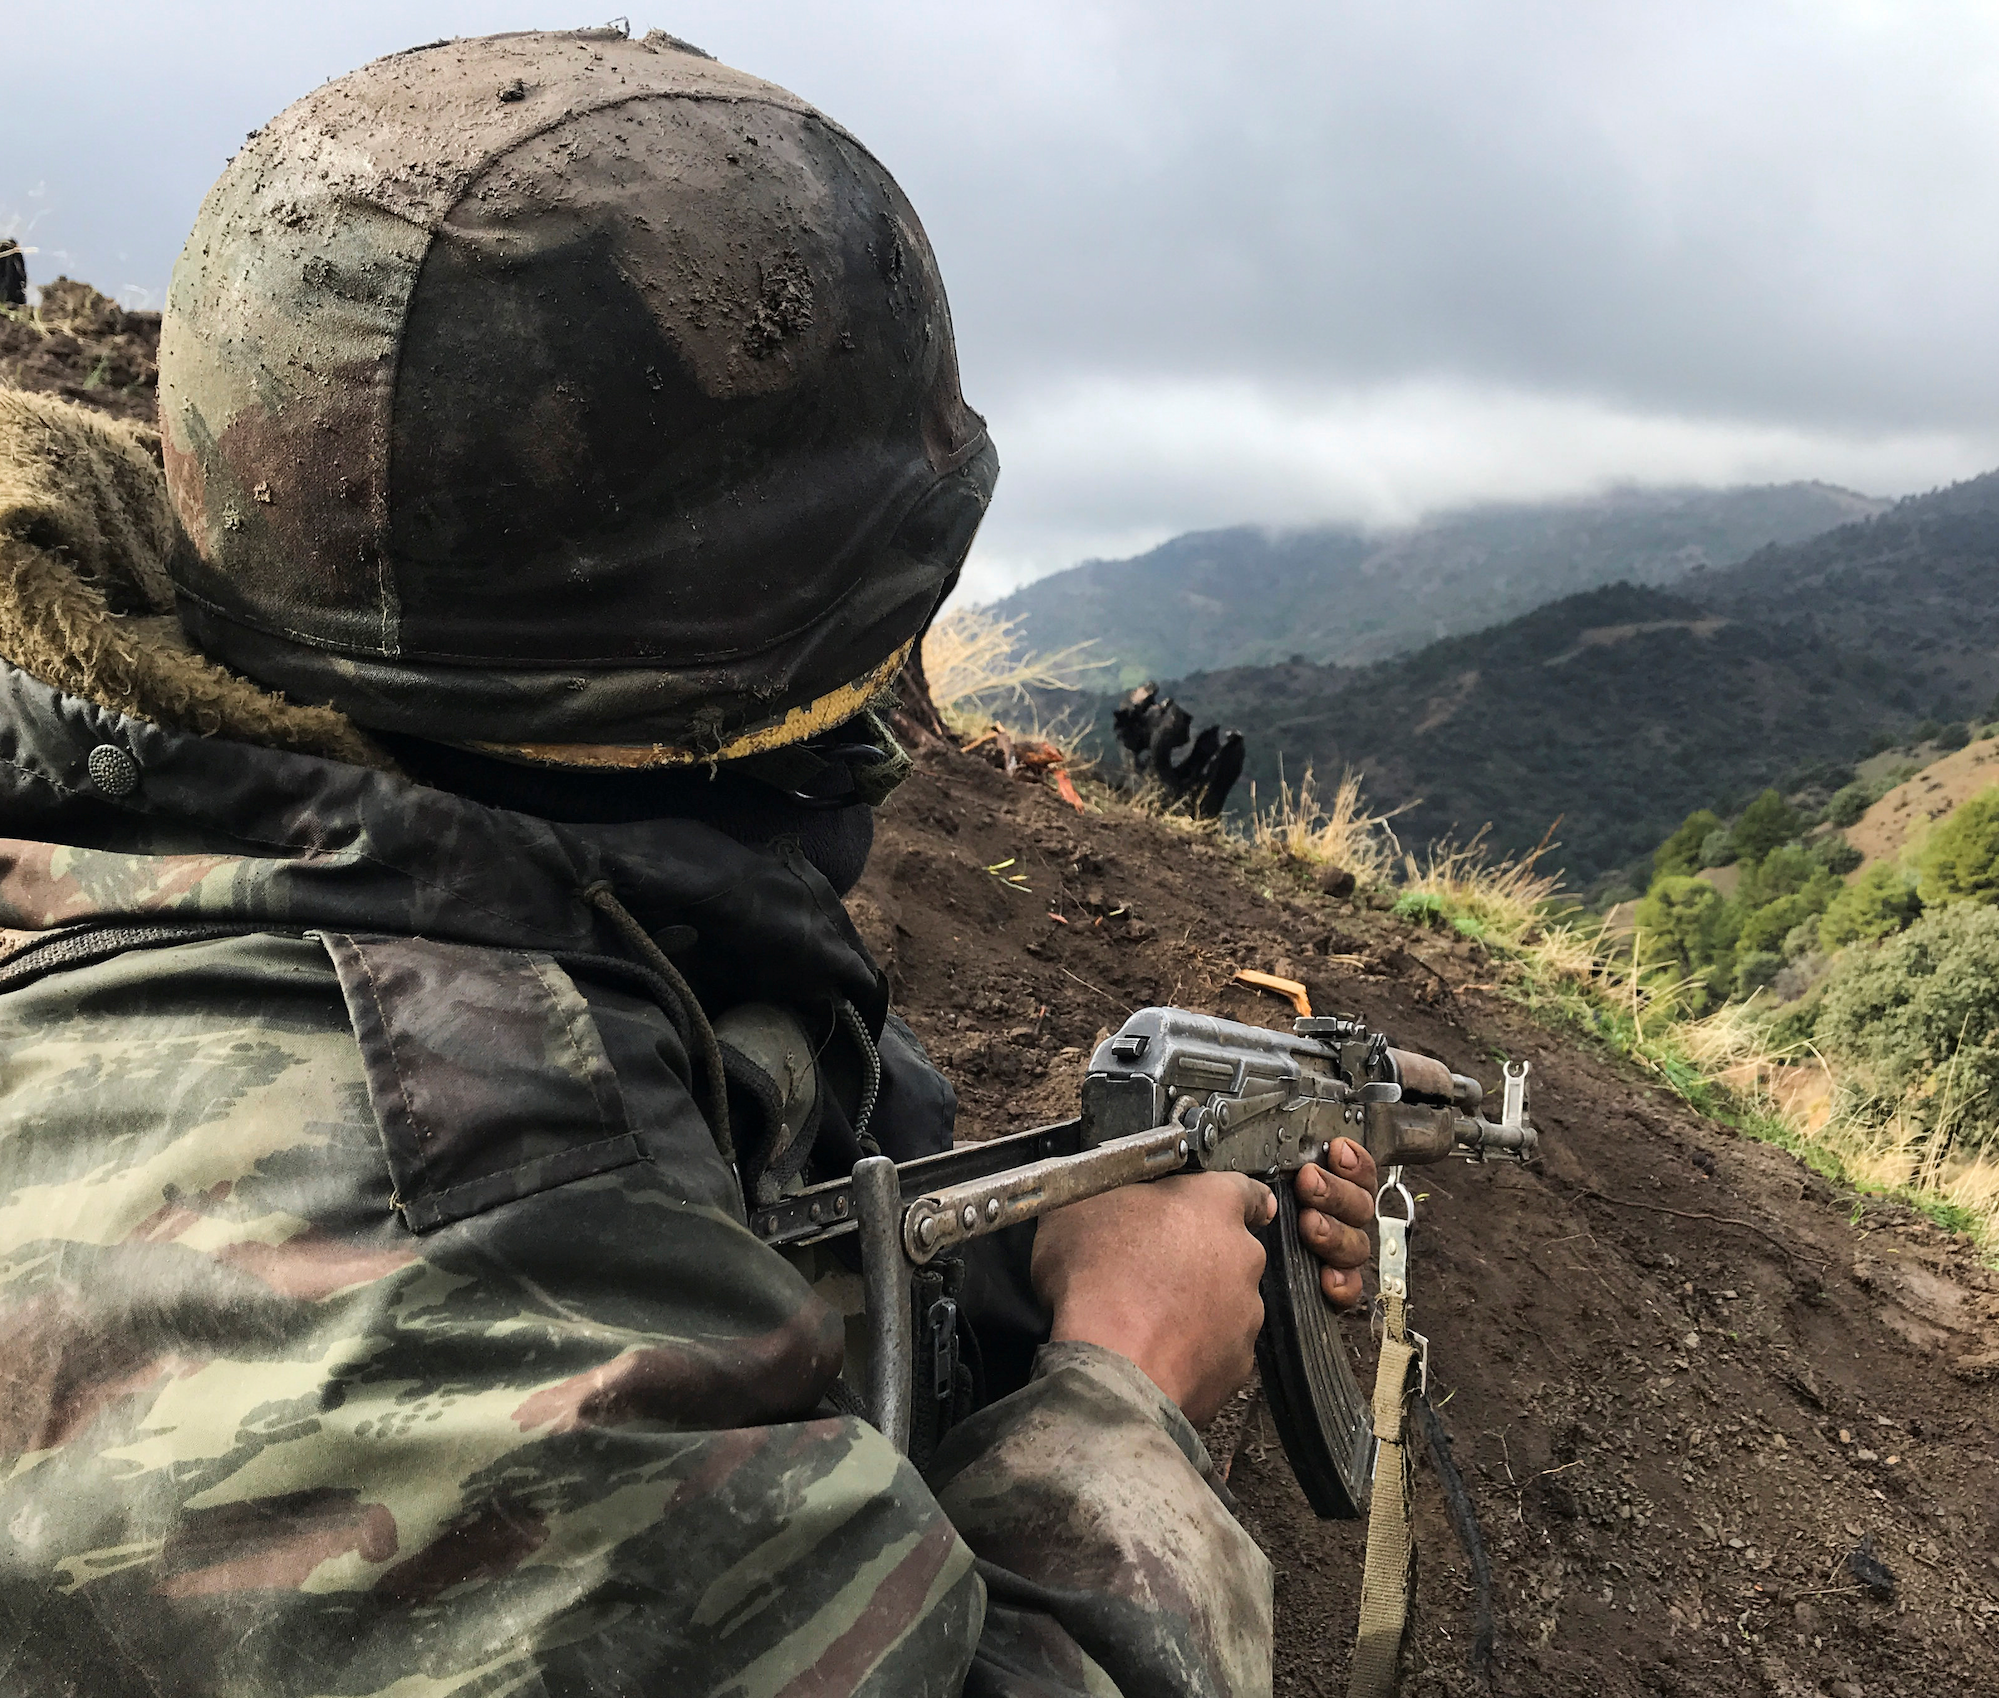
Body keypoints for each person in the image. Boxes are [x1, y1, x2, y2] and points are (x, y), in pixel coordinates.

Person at [0, 27, 1376, 1696]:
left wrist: (1011, 1252)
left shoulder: (166, 835)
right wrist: (1120, 1381)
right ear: (771, 686)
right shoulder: (445, 1247)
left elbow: (664, 1205)